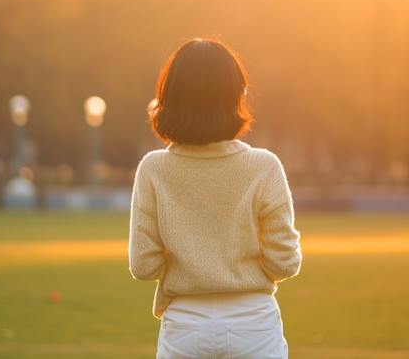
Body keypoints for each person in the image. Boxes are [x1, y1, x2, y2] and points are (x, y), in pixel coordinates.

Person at [129, 38, 302, 359]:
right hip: (254, 324)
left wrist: (194, 265)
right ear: (237, 95)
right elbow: (285, 262)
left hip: (184, 325)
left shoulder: (154, 168)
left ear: (168, 97)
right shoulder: (264, 166)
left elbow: (143, 265)